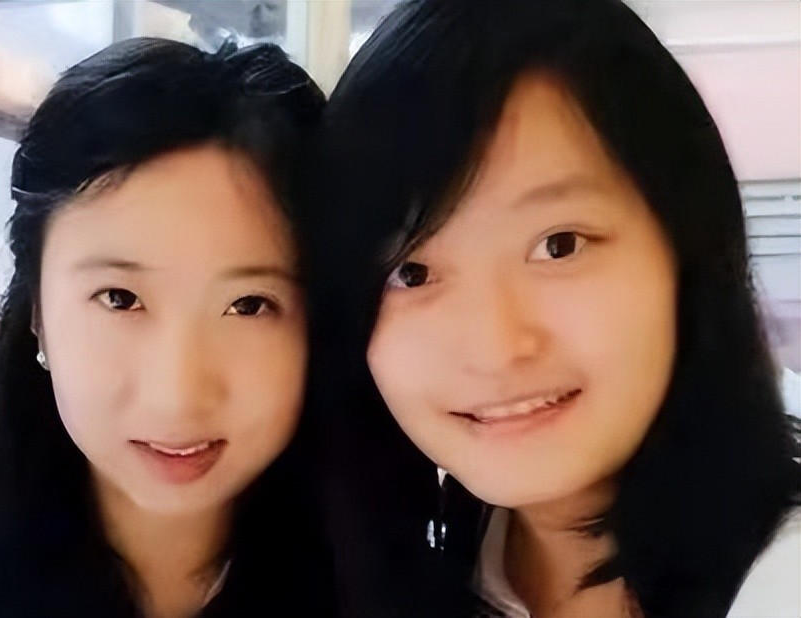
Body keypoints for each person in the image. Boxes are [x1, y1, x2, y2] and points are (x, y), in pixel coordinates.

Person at [312, 0, 801, 615]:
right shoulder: (433, 569)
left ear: (688, 246)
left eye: (558, 245)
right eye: (412, 273)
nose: (494, 348)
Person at [0, 37, 330, 618]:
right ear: (37, 314)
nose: (176, 396)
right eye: (120, 299)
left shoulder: (392, 594)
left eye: (249, 305)